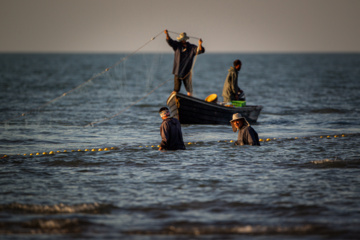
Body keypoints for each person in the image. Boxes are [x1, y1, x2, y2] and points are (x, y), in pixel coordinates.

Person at [164, 30, 205, 96]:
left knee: (189, 90)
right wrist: (167, 34)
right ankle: (173, 101)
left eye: (182, 39)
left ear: (184, 39)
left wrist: (200, 44)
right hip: (177, 72)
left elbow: (200, 50)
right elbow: (169, 41)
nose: (181, 40)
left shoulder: (191, 47)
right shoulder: (177, 45)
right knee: (176, 90)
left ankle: (189, 102)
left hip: (187, 72)